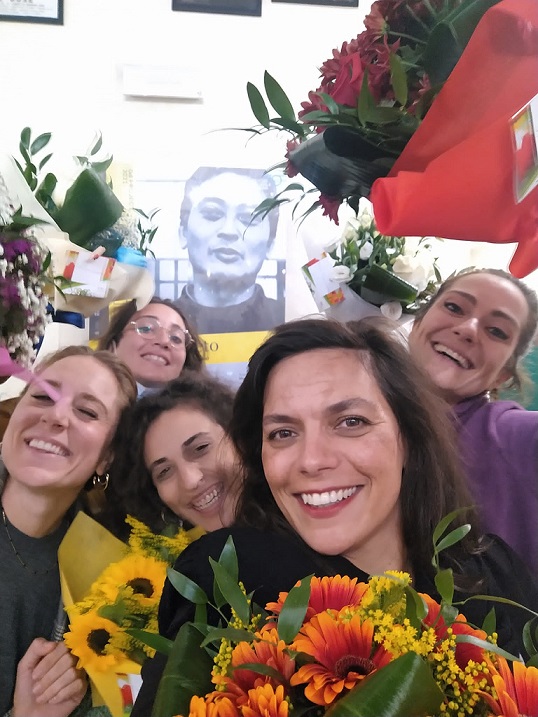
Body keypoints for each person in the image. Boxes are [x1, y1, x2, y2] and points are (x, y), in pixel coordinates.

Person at [132, 318, 538, 714]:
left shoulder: (492, 568)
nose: (311, 460)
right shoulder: (227, 573)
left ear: (409, 438)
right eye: (283, 433)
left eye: (350, 422)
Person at [0, 345, 137, 717]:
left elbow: (126, 696)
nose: (56, 415)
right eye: (42, 396)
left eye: (87, 411)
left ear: (107, 457)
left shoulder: (113, 576)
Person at [407, 268, 538, 573]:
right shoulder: (348, 415)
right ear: (417, 323)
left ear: (503, 374)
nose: (468, 329)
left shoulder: (513, 437)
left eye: (497, 331)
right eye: (454, 307)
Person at [101, 370, 240, 540]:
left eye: (200, 448)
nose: (190, 481)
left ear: (239, 437)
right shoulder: (178, 554)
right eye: (164, 471)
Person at [175, 166, 284, 334]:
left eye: (248, 219)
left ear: (270, 243)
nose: (229, 231)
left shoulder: (291, 322)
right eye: (212, 214)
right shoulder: (156, 324)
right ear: (184, 233)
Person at [97, 296, 205, 396]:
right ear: (113, 344)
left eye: (176, 338)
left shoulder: (206, 407)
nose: (164, 341)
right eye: (146, 329)